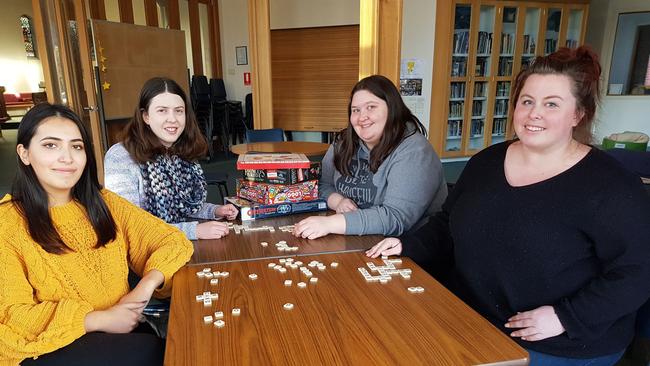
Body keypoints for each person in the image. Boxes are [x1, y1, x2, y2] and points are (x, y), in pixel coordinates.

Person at [367, 46, 650, 365]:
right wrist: (406, 245)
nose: (534, 114)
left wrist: (566, 317)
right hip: (470, 317)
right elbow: (448, 225)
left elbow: (638, 271)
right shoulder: (485, 162)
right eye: (527, 101)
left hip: (559, 341)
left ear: (578, 114)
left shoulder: (611, 185)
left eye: (551, 104)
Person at [0, 103, 194, 365]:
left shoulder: (103, 202)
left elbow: (172, 240)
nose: (67, 157)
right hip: (48, 345)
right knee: (159, 353)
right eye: (50, 145)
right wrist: (99, 319)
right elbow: (11, 316)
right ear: (24, 153)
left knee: (180, 345)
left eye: (76, 146)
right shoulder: (8, 223)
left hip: (122, 328)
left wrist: (145, 287)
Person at [293, 75, 447, 240]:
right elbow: (322, 184)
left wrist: (330, 224)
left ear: (392, 109)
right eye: (355, 110)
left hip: (408, 248)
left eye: (371, 107)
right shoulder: (343, 141)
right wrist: (337, 201)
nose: (362, 117)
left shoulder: (415, 151)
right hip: (358, 237)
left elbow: (395, 217)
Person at [104, 77, 238, 240]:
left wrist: (215, 210)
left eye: (179, 111)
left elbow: (185, 208)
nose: (173, 119)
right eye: (162, 110)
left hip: (181, 246)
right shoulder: (121, 156)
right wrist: (193, 230)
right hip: (146, 256)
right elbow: (128, 225)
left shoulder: (181, 150)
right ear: (146, 116)